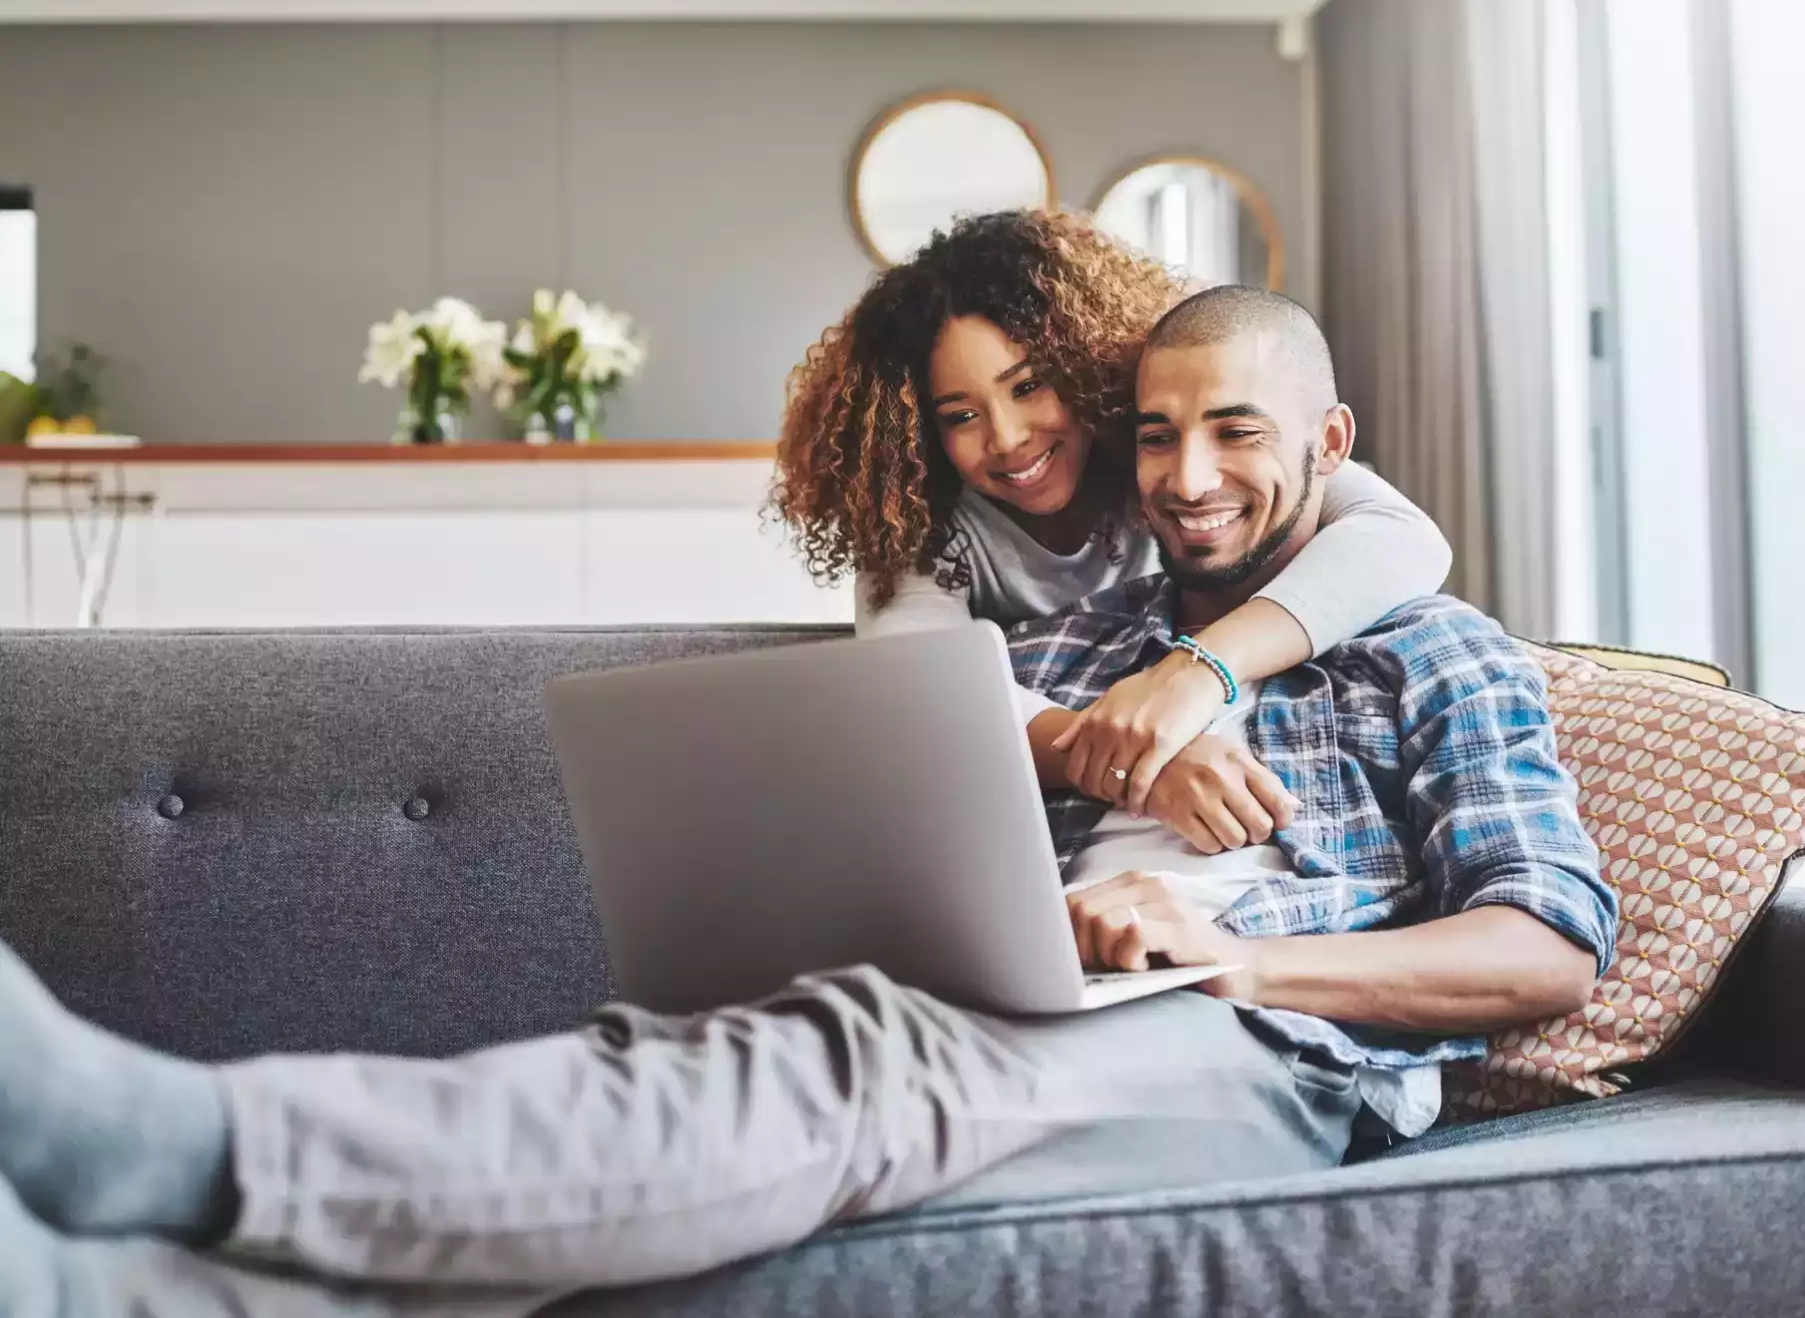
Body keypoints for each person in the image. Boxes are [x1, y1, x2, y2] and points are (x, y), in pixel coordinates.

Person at [0, 287, 1613, 1318]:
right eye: (1159, 436)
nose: (1189, 475)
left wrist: (1224, 955)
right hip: (1022, 994)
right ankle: (134, 1295)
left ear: (1329, 442)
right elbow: (926, 702)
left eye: (1237, 433)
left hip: (1267, 1052)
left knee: (859, 1057)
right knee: (710, 1082)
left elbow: (1545, 947)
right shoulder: (1081, 632)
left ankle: (175, 1135)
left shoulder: (1432, 649)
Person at [772, 210, 1453, 839]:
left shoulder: (1170, 455)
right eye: (960, 416)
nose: (1007, 438)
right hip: (1055, 811)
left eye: (1029, 385)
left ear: (1086, 365)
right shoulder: (916, 525)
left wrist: (1199, 671)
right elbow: (920, 690)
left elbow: (1404, 538)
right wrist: (1134, 761)